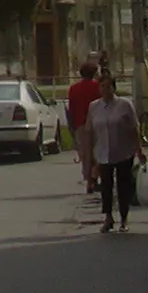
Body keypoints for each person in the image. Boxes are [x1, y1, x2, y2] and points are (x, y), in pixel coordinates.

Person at [88, 72, 145, 233]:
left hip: (123, 151)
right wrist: (90, 156)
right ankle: (108, 217)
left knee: (123, 186)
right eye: (102, 87)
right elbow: (90, 130)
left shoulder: (124, 105)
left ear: (114, 87)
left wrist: (138, 150)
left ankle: (124, 218)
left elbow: (135, 128)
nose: (105, 90)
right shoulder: (94, 106)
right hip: (102, 153)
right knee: (106, 186)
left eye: (108, 86)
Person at [66, 61, 102, 195]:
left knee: (86, 154)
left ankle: (89, 181)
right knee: (99, 152)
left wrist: (72, 126)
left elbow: (71, 109)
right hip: (97, 123)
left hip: (80, 124)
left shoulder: (74, 88)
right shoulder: (97, 86)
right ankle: (96, 177)